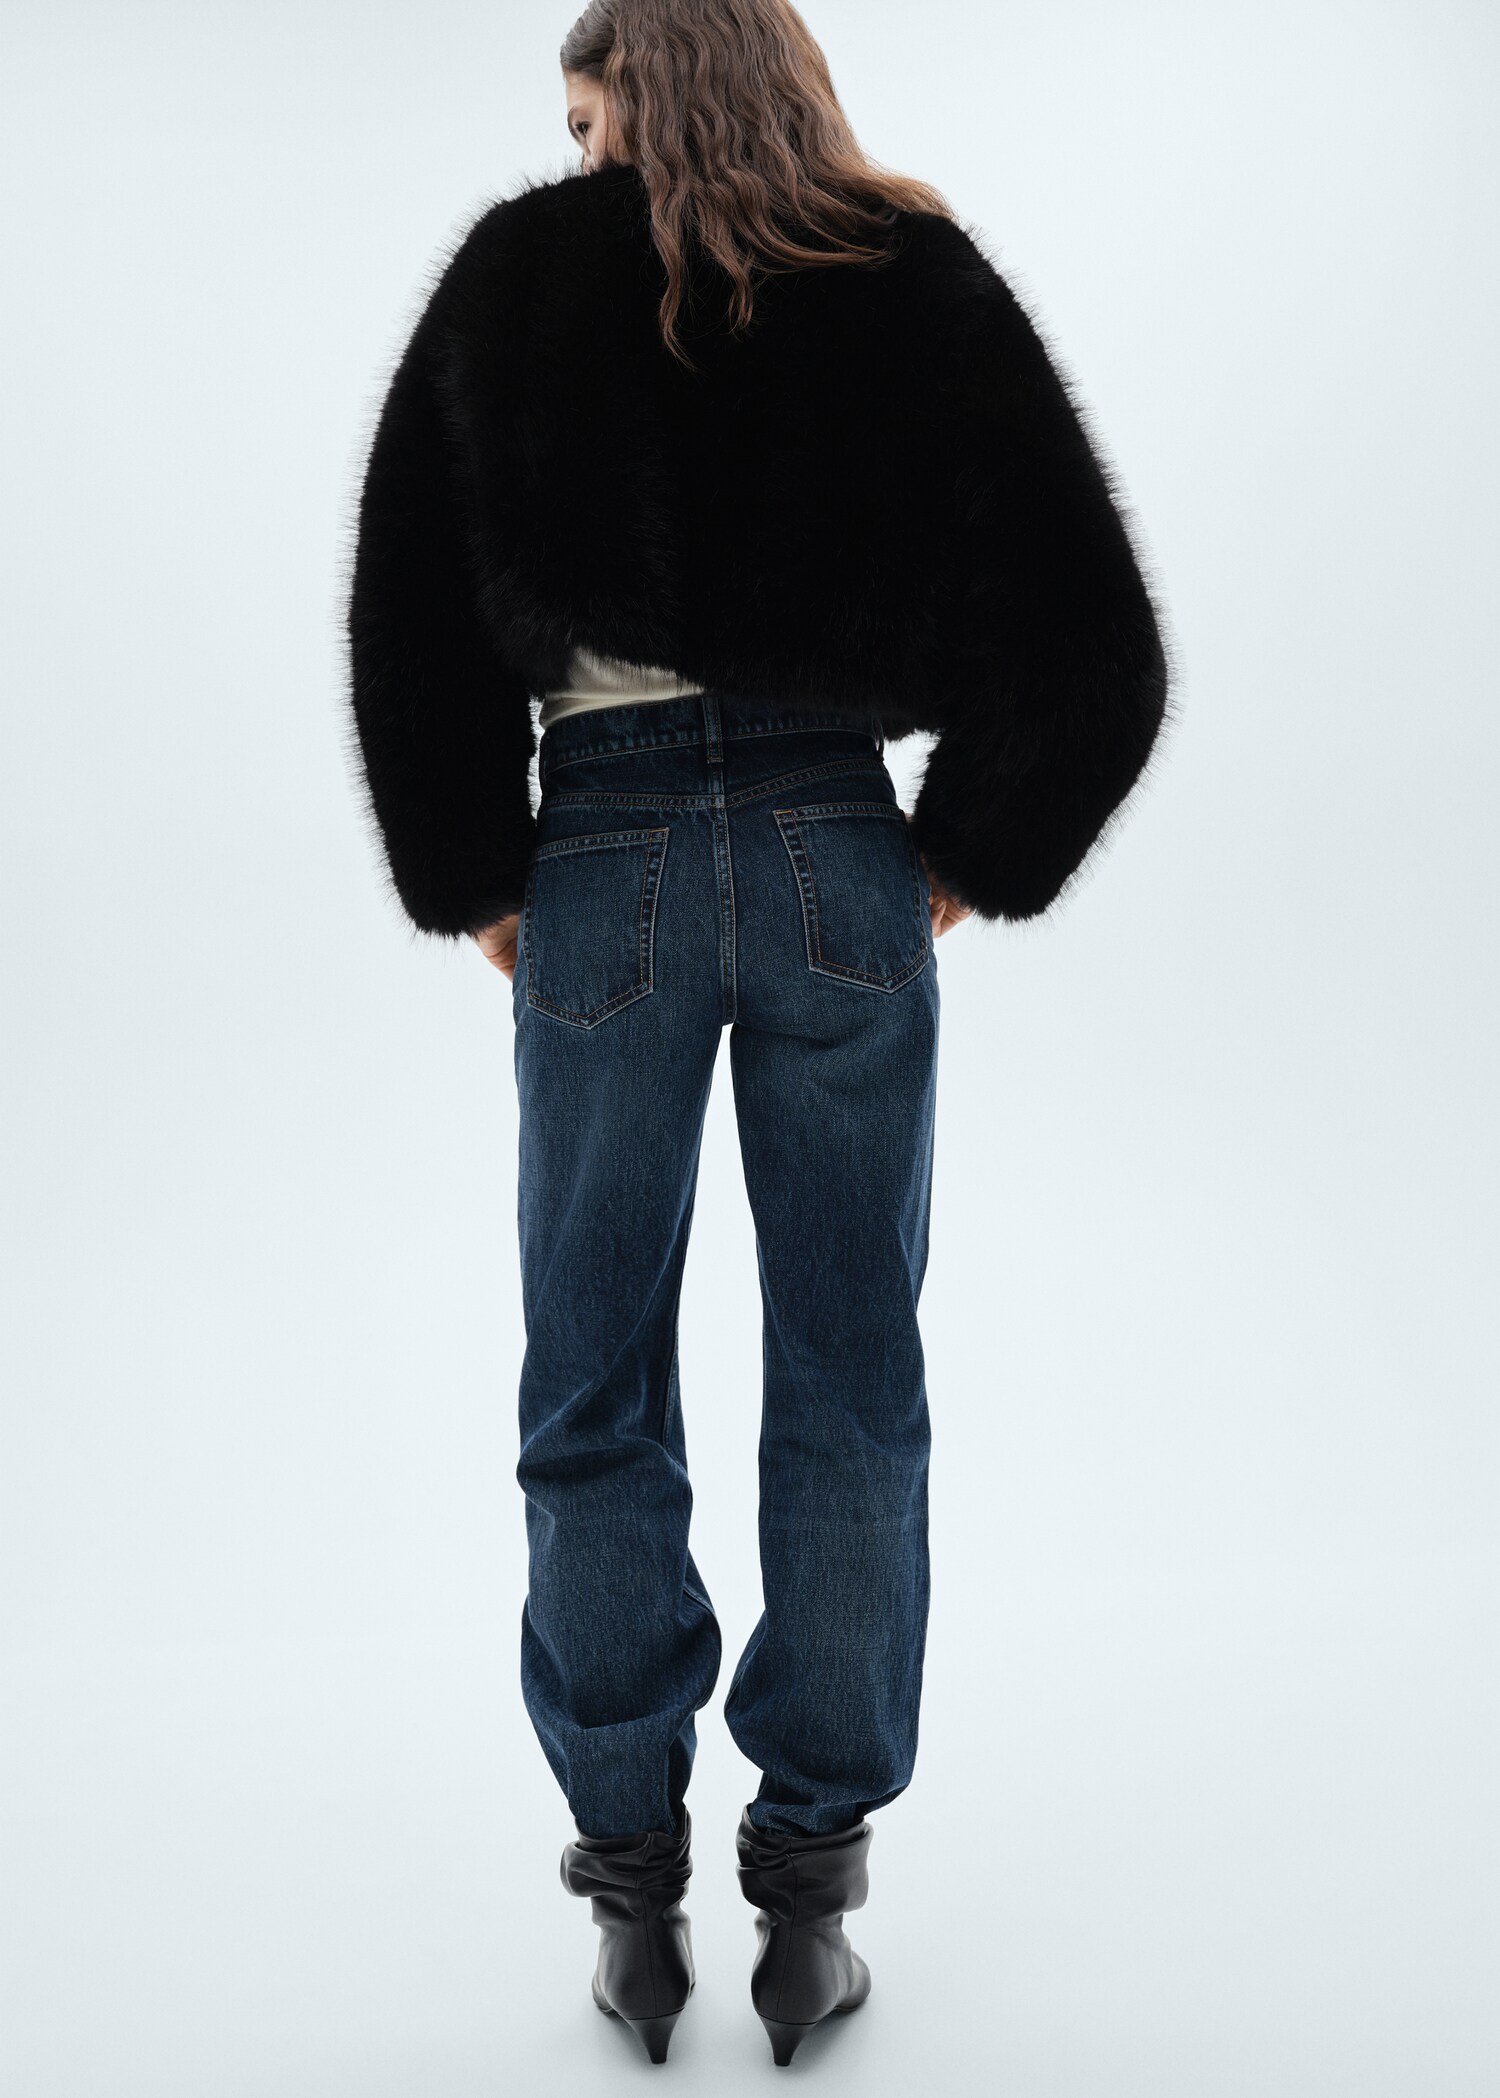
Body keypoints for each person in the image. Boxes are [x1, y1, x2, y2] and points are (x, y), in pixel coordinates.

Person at [344, 0, 1170, 2065]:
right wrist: (959, 854)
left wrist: (479, 871)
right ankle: (810, 1898)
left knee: (589, 1376)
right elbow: (1097, 636)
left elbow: (408, 606)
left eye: (586, 112)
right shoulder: (907, 272)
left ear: (651, 87)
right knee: (854, 1376)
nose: (575, 155)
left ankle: (632, 1892)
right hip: (832, 848)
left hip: (607, 853)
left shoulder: (515, 277)